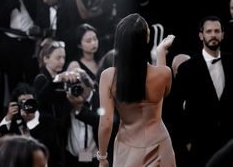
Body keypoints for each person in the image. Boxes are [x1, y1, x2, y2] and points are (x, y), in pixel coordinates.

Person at [97, 13, 176, 167]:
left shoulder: (108, 77)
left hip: (128, 147)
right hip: (160, 144)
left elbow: (106, 123)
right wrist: (161, 52)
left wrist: (102, 157)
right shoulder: (164, 74)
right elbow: (164, 94)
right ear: (147, 39)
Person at [170, 15, 233, 167]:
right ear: (201, 35)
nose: (213, 35)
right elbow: (174, 108)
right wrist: (186, 141)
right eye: (209, 31)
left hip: (229, 144)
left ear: (222, 34)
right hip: (200, 146)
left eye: (217, 31)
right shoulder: (187, 69)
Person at [0, 82, 62, 167]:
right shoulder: (14, 122)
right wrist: (8, 117)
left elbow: (47, 147)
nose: (27, 105)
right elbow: (1, 142)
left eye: (30, 101)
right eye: (22, 102)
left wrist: (29, 121)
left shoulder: (47, 120)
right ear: (17, 105)